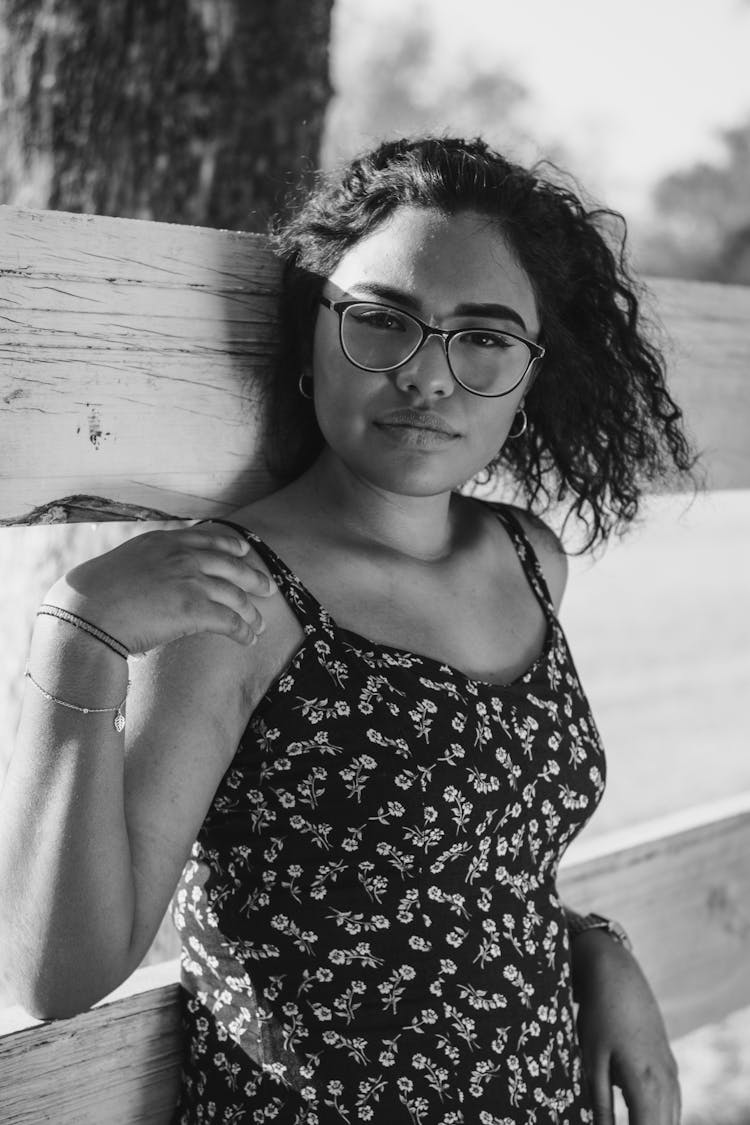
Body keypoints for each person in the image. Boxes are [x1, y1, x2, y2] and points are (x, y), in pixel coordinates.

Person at [0, 137, 694, 1124]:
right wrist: (77, 640)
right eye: (381, 321)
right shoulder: (237, 596)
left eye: (484, 336)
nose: (426, 377)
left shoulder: (529, 559)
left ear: (536, 372)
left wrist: (593, 943)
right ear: (308, 336)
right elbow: (58, 974)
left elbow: (462, 867)